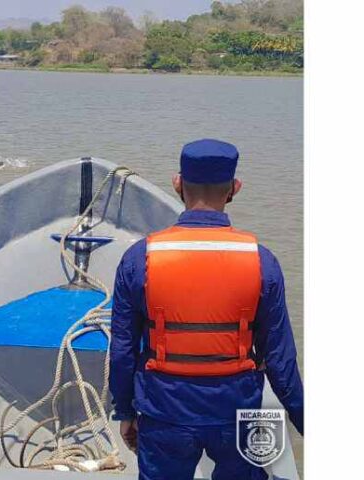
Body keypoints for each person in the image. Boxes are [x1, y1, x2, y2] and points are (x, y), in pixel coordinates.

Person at [108, 139, 303, 479]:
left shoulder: (140, 259)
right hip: (239, 410)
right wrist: (305, 421)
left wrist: (125, 411)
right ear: (235, 189)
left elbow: (123, 350)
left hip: (163, 410)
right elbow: (281, 361)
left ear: (177, 183)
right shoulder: (262, 262)